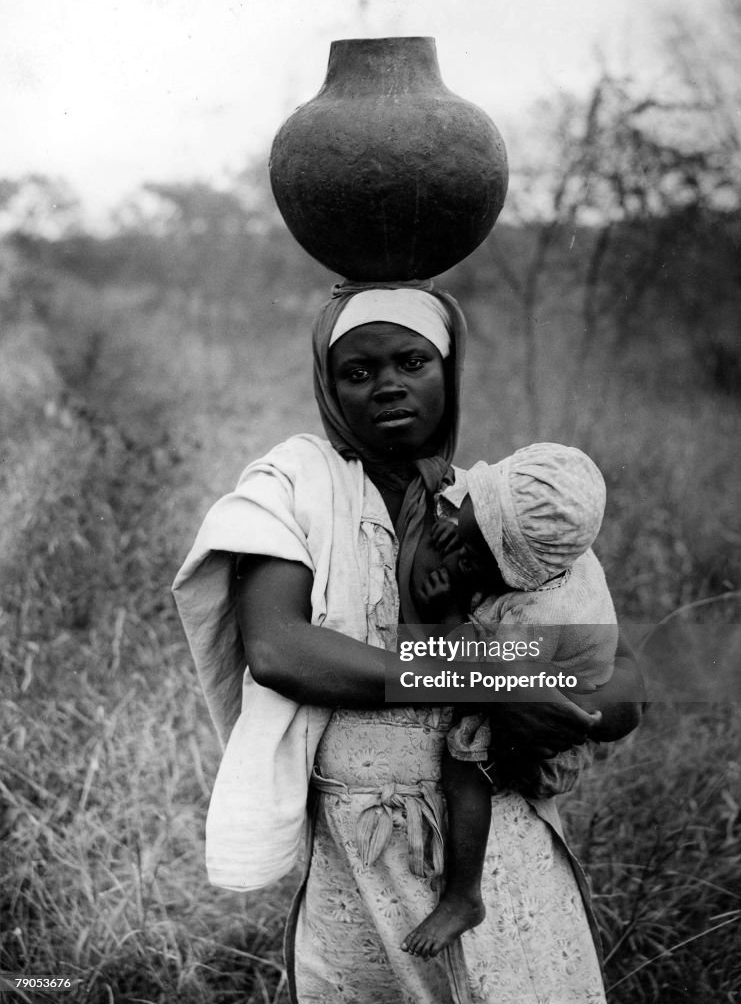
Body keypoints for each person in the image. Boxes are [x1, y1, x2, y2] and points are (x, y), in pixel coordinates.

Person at [173, 281, 644, 1004]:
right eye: (356, 372)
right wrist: (491, 680)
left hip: (495, 841)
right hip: (362, 846)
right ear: (327, 389)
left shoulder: (510, 509)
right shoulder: (293, 489)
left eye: (412, 362)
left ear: (448, 372)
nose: (387, 386)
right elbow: (279, 650)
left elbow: (618, 684)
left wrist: (551, 702)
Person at [401, 443, 618, 960]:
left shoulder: (535, 613)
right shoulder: (561, 545)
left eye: (477, 551)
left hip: (542, 720)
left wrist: (446, 608)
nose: (459, 545)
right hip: (528, 678)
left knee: (463, 768)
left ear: (514, 567)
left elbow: (478, 670)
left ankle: (463, 896)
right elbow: (486, 518)